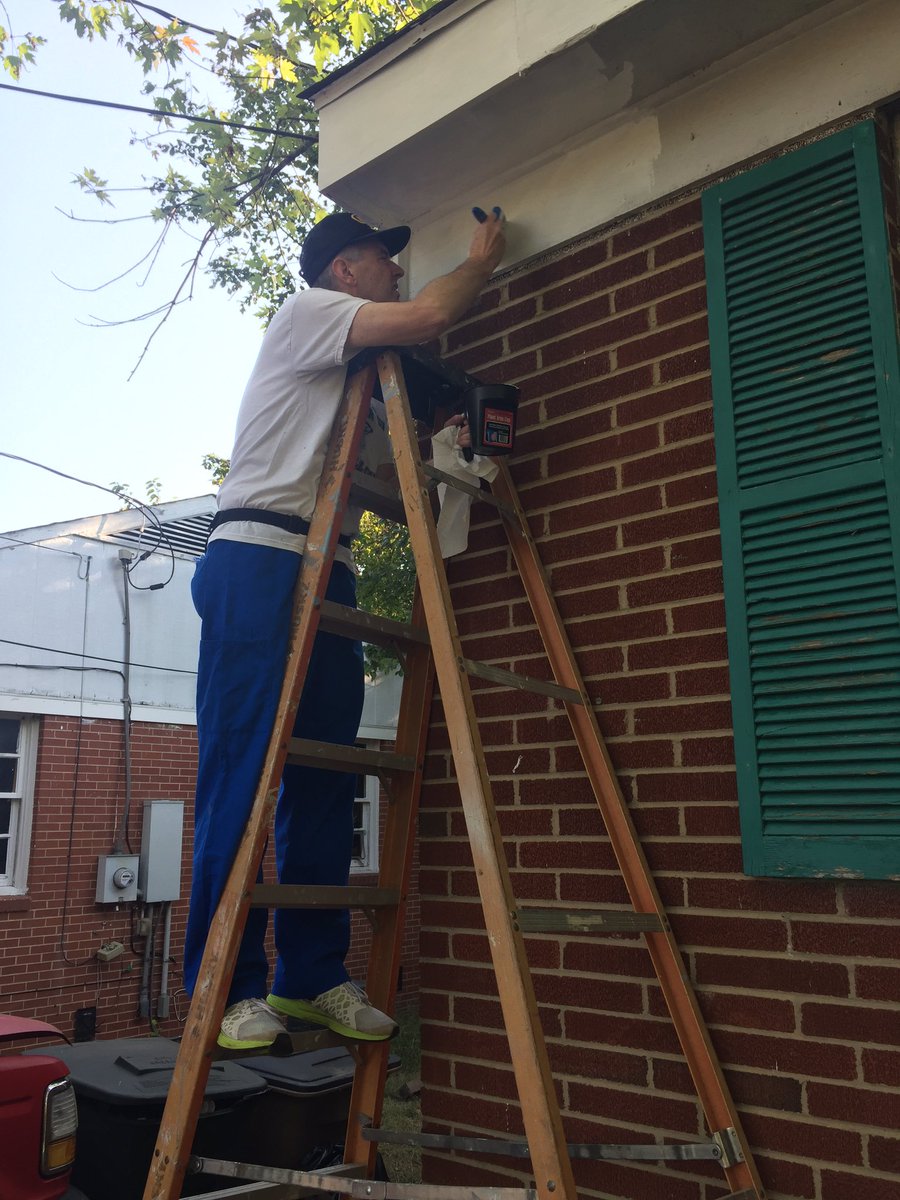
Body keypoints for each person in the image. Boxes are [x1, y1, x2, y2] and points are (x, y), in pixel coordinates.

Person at [186, 207, 506, 1051]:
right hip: (258, 552)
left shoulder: (358, 384)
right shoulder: (307, 316)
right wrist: (480, 258)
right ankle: (224, 986)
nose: (397, 271)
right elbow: (435, 313)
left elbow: (400, 496)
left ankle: (310, 976)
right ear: (344, 273)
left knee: (325, 771)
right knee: (243, 769)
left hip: (330, 565)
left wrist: (454, 455)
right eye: (383, 260)